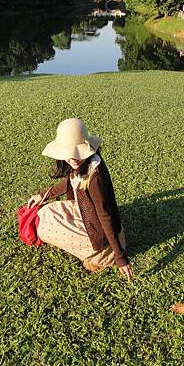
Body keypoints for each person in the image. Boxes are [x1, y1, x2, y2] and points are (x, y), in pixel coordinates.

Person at [28, 118, 133, 280]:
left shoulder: (95, 178)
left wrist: (120, 258)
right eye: (68, 155)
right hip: (87, 214)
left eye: (76, 154)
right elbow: (70, 181)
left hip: (100, 236)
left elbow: (105, 216)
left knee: (45, 227)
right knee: (45, 212)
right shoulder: (84, 163)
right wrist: (44, 195)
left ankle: (104, 257)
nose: (72, 159)